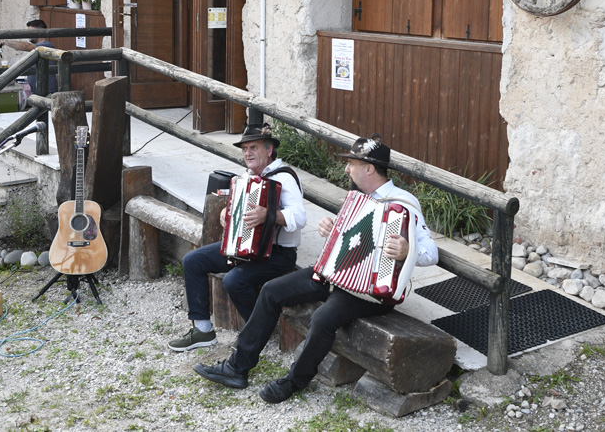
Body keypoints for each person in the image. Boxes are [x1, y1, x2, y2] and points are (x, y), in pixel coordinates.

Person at [193, 134, 439, 404]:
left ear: (369, 169)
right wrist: (332, 230)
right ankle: (237, 368)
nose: (347, 169)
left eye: (352, 164)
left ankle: (295, 380)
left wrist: (406, 250)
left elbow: (431, 253)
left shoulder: (403, 204)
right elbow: (351, 239)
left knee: (322, 318)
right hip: (335, 274)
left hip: (371, 291)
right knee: (272, 291)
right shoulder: (357, 197)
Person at [169, 123, 306, 352]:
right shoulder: (248, 177)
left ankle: (258, 333)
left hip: (279, 254)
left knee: (234, 280)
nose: (247, 153)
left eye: (253, 147)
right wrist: (227, 213)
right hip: (245, 248)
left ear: (269, 150)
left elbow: (300, 218)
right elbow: (238, 206)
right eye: (244, 149)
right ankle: (203, 330)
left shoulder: (285, 177)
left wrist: (269, 215)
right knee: (193, 261)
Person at [1, 19, 57, 94]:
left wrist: (4, 42)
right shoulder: (36, 47)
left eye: (31, 32)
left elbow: (26, 46)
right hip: (37, 90)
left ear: (40, 32)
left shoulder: (47, 45)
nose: (28, 35)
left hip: (47, 91)